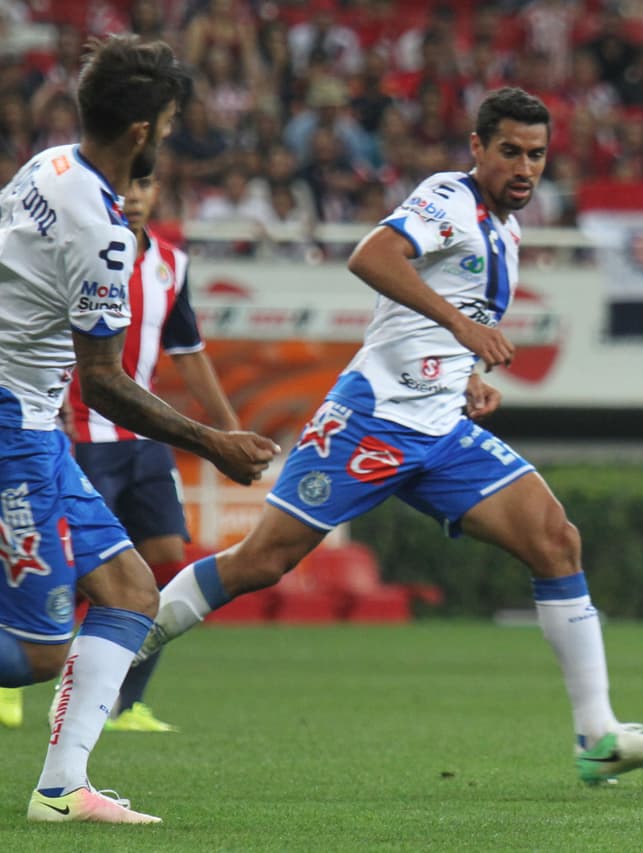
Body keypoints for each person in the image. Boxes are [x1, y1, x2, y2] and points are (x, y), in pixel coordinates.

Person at [130, 87, 643, 784]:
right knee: (261, 562)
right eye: (509, 152)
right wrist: (465, 330)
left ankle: (595, 736)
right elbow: (371, 255)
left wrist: (464, 375)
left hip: (440, 428)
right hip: (371, 419)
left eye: (536, 154)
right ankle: (117, 642)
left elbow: (433, 323)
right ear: (476, 149)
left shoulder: (508, 229)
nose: (525, 167)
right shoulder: (449, 197)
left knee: (556, 538)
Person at [0, 35, 279, 824]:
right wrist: (215, 442)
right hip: (11, 425)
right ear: (143, 133)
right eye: (168, 117)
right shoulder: (103, 232)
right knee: (38, 650)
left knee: (130, 592)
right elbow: (106, 382)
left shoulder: (46, 166)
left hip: (35, 426)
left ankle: (60, 789)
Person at [69, 170, 241, 731]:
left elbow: (188, 351)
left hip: (145, 441)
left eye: (143, 187)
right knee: (66, 567)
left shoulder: (174, 264)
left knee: (165, 563)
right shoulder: (80, 252)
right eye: (123, 188)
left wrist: (228, 429)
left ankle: (128, 701)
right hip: (83, 436)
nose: (133, 198)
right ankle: (16, 681)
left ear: (158, 192)